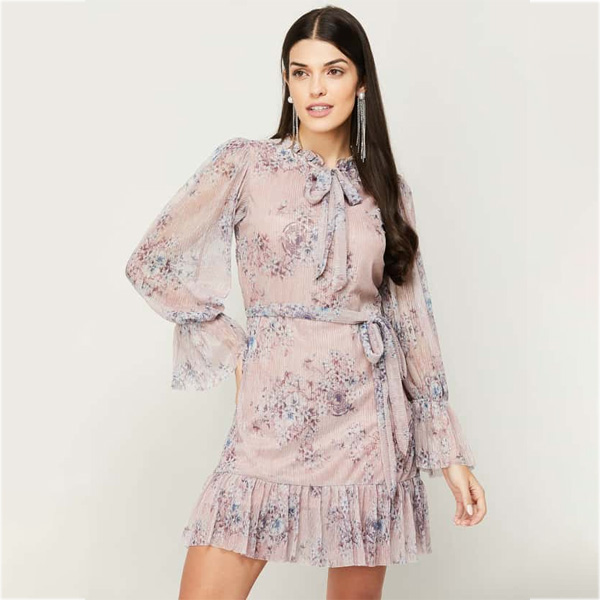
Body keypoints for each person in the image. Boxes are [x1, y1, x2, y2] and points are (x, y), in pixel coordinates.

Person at [125, 6, 486, 599]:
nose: (316, 87)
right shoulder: (245, 164)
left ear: (361, 82)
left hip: (368, 423)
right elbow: (152, 262)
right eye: (301, 72)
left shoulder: (387, 191)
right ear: (287, 82)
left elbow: (412, 321)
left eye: (334, 71)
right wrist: (235, 349)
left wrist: (451, 456)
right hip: (274, 414)